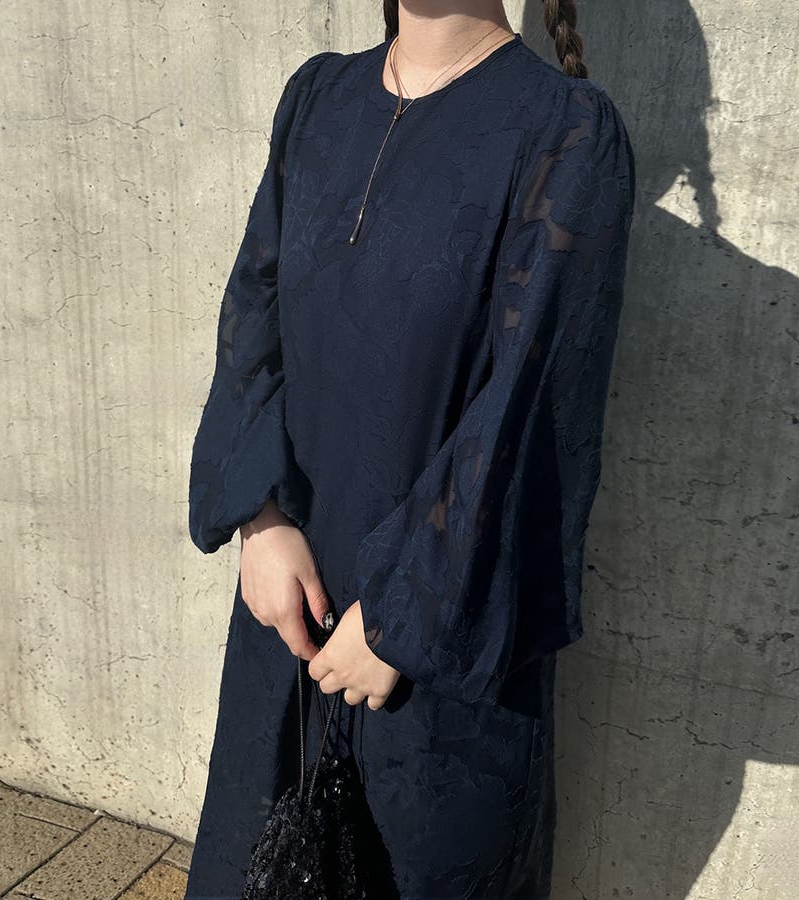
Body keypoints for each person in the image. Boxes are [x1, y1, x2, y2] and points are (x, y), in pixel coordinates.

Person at [185, 0, 636, 896]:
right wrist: (259, 521)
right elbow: (253, 316)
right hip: (290, 606)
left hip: (440, 644)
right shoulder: (317, 98)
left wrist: (400, 621)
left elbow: (534, 411)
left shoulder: (569, 133)